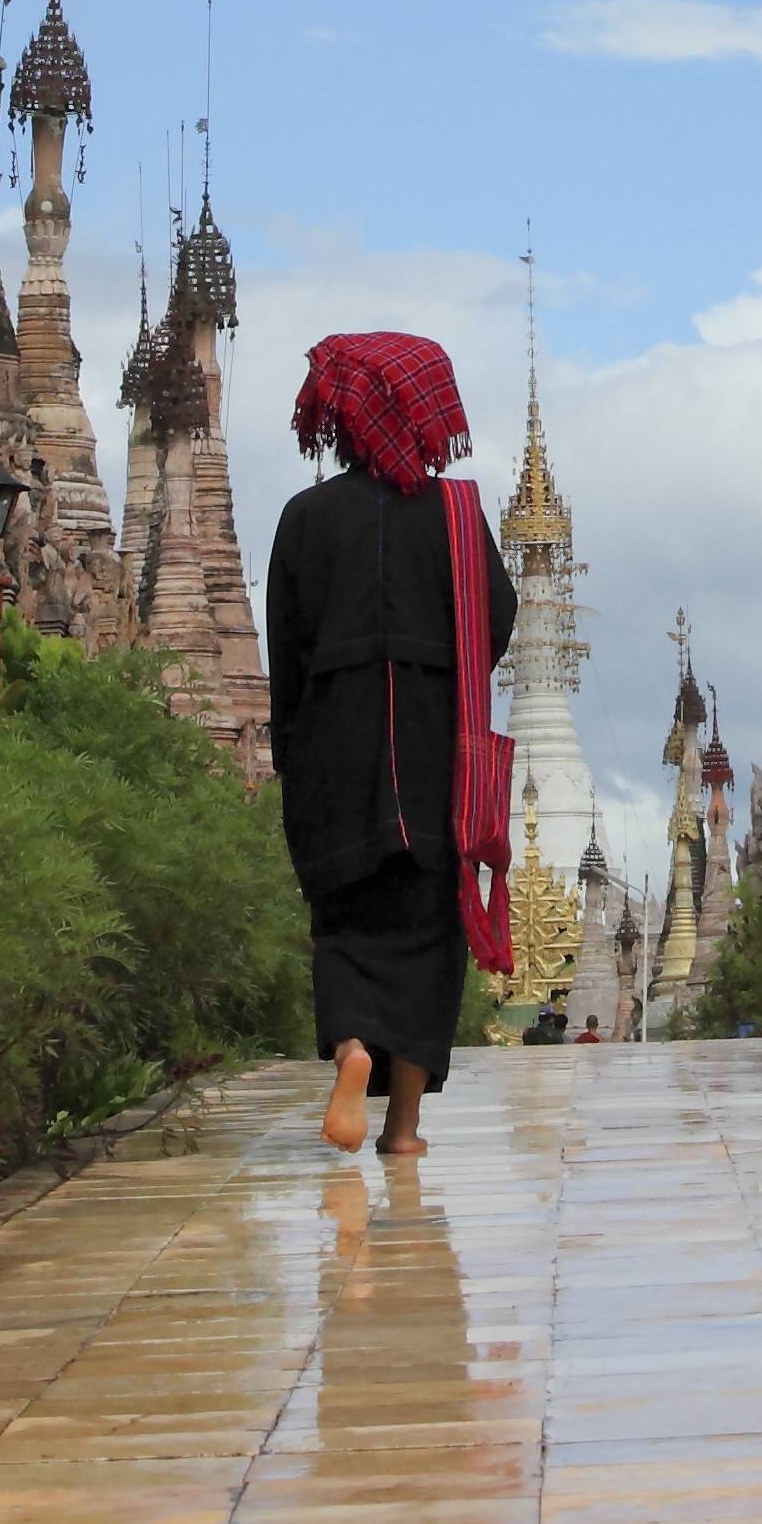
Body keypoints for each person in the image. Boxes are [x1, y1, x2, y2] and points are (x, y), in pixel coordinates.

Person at [265, 330, 518, 1159]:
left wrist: (294, 758)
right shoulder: (456, 516)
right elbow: (497, 619)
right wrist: (435, 664)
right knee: (426, 934)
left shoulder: (304, 518)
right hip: (435, 753)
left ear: (339, 420)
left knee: (344, 921)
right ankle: (402, 1130)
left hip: (333, 753)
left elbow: (285, 654)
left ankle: (351, 1049)